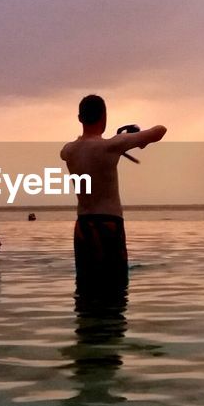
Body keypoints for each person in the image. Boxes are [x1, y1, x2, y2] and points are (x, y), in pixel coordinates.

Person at [59, 95, 166, 292]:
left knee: (85, 287)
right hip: (109, 224)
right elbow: (160, 131)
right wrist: (136, 137)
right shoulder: (112, 145)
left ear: (79, 118)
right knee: (114, 287)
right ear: (104, 117)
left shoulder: (68, 150)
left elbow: (67, 151)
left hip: (82, 225)